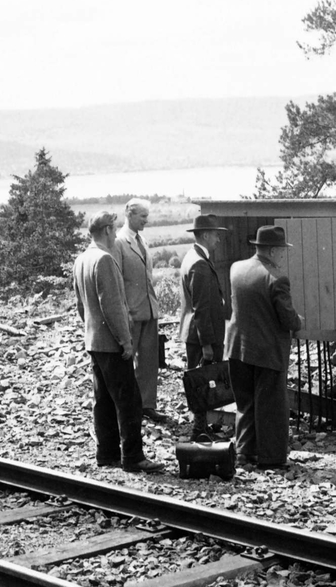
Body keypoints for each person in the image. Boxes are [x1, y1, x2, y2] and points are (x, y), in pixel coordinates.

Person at [73, 211, 164, 474]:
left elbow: (82, 306)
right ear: (105, 231)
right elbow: (111, 306)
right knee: (130, 401)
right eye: (113, 229)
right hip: (112, 344)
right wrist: (126, 341)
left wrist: (93, 332)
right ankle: (133, 457)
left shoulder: (82, 260)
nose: (115, 233)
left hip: (94, 342)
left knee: (103, 400)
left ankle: (107, 453)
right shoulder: (104, 260)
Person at [226, 225, 305, 471]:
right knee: (271, 406)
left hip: (237, 348)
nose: (282, 255)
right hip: (266, 352)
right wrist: (299, 322)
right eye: (281, 250)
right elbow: (288, 319)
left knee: (245, 403)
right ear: (271, 250)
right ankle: (271, 458)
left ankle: (244, 452)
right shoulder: (276, 278)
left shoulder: (236, 269)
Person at [112, 198, 166, 423]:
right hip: (131, 313)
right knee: (126, 363)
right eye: (142, 216)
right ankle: (124, 408)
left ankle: (147, 405)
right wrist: (124, 312)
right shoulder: (118, 242)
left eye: (147, 216)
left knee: (149, 362)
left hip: (149, 310)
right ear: (129, 214)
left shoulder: (141, 240)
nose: (146, 220)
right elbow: (116, 281)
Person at [178, 214, 229, 437]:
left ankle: (202, 426)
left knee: (201, 381)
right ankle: (199, 429)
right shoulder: (199, 263)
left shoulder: (194, 257)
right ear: (206, 235)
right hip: (200, 336)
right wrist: (207, 343)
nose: (218, 239)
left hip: (196, 334)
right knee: (201, 382)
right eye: (216, 235)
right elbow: (200, 308)